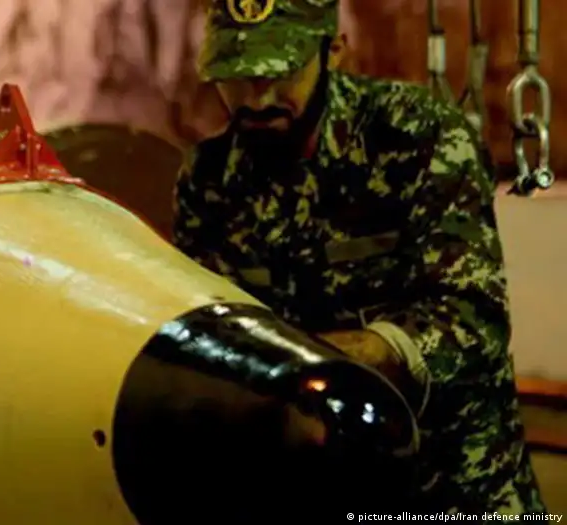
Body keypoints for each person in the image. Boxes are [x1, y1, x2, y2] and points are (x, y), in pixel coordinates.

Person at [172, 0, 547, 515]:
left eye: (280, 72)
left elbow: (472, 322)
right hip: (313, 485)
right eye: (236, 76)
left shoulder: (418, 138)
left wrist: (328, 358)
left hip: (454, 485)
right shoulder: (210, 180)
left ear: (334, 51)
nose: (258, 98)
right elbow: (204, 333)